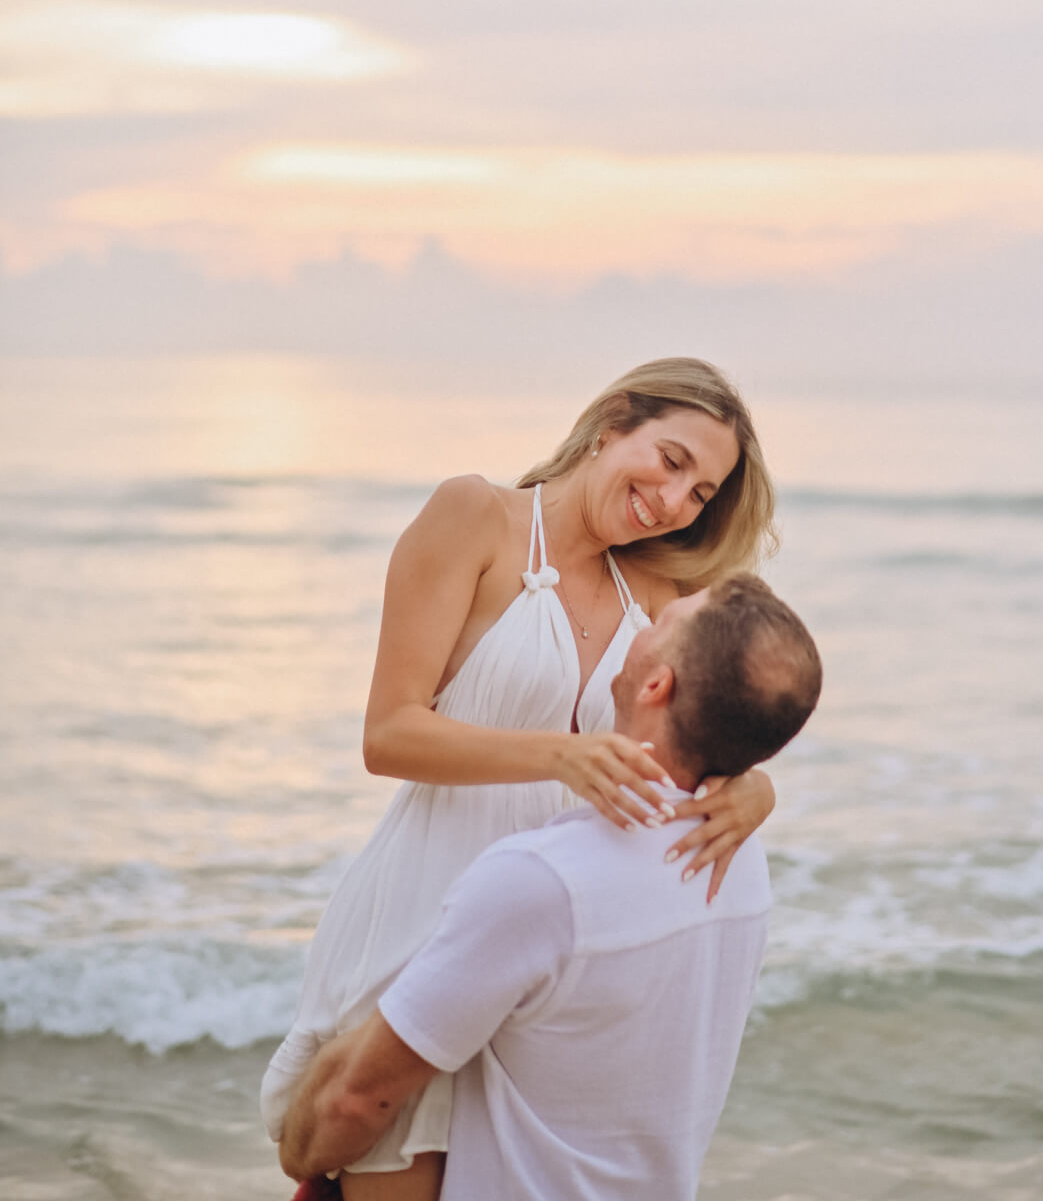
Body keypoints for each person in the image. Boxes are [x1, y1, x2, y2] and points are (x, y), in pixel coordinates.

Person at [262, 359, 781, 1193]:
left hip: (545, 951)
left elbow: (741, 701)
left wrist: (754, 787)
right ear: (614, 424)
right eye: (672, 460)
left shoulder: (660, 584)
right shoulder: (474, 516)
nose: (675, 499)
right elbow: (389, 733)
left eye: (700, 493)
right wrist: (558, 755)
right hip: (421, 915)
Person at [278, 573, 823, 1198]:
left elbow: (356, 1101)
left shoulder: (543, 882)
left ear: (656, 683)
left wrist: (302, 1158)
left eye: (662, 624)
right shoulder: (742, 864)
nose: (642, 623)